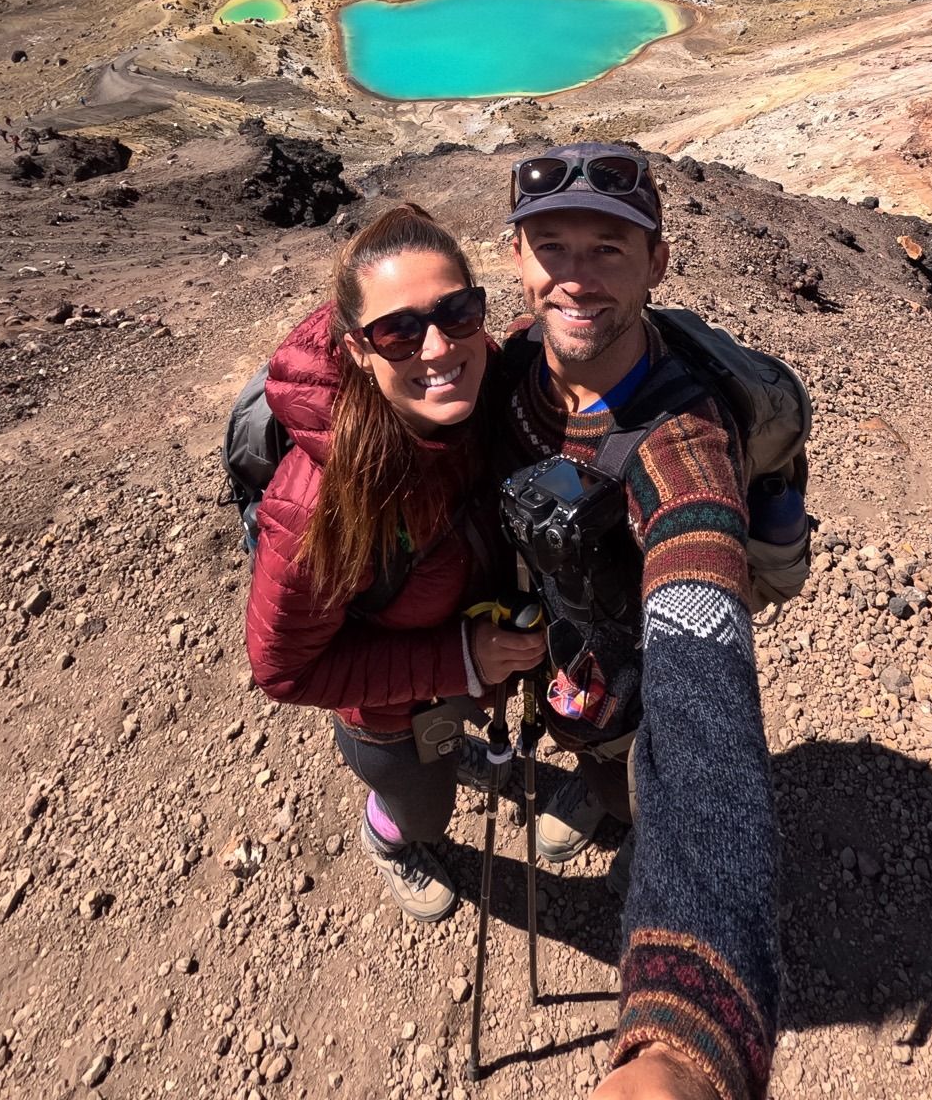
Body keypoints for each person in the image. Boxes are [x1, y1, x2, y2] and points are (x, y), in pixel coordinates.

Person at [498, 144, 780, 1100]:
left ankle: (613, 793)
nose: (576, 277)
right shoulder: (498, 371)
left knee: (628, 736)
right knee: (583, 725)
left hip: (627, 662)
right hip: (541, 636)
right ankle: (601, 781)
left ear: (658, 263)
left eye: (609, 251)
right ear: (518, 258)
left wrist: (681, 1044)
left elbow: (708, 715)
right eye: (552, 245)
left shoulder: (683, 438)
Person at [245, 203, 546, 922]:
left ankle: (448, 749)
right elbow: (283, 670)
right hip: (386, 714)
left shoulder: (483, 392)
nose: (438, 348)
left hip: (467, 667)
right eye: (399, 332)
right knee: (423, 809)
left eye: (457, 313)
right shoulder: (322, 499)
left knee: (449, 746)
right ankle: (391, 839)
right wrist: (460, 659)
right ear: (357, 349)